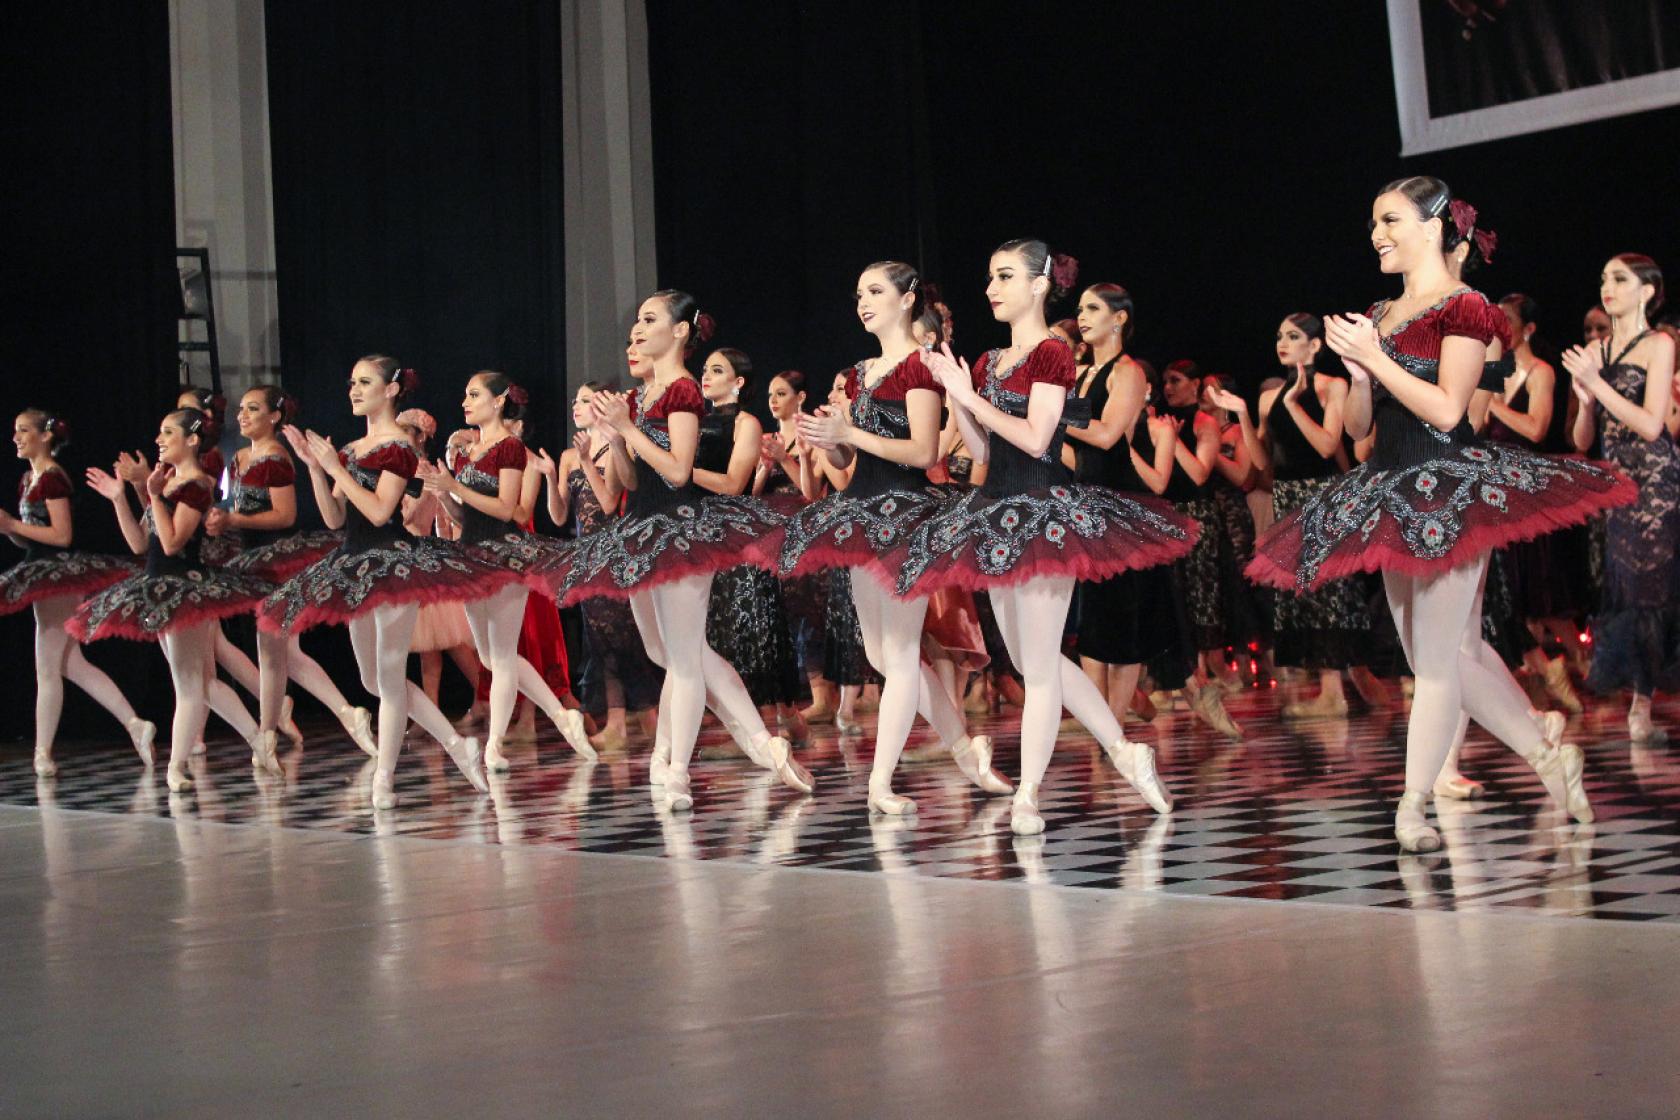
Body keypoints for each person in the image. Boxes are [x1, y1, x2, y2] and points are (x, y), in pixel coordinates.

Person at [1248, 177, 1630, 851]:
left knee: (1435, 664)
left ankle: (1413, 805)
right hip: (1390, 488)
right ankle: (1548, 757)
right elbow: (1360, 430)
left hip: (1452, 490)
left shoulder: (1468, 306)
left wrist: (1375, 360)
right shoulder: (1383, 312)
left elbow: (1450, 410)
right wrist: (1362, 375)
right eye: (1372, 223)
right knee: (1446, 656)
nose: (1377, 235)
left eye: (1389, 220)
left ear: (1431, 226)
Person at [898, 239, 1190, 835]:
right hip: (997, 509)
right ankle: (1125, 752)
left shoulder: (1054, 353)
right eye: (989, 277)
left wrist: (970, 397)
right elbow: (981, 452)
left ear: (1038, 285)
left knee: (1039, 667)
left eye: (1004, 276)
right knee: (1040, 664)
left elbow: (1037, 439)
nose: (991, 288)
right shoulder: (986, 361)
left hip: (1045, 511)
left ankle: (1029, 793)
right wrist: (959, 399)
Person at [552, 296, 810, 808]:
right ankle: (762, 744)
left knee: (686, 660)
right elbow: (629, 480)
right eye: (637, 319)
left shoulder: (685, 390)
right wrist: (616, 441)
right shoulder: (644, 393)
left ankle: (673, 771)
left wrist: (627, 429)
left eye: (649, 320)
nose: (637, 327)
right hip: (642, 528)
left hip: (681, 530)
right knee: (666, 653)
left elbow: (677, 470)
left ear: (679, 332)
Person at [780, 260, 1012, 812]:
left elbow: (923, 452)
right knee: (883, 655)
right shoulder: (860, 373)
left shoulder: (920, 366)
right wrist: (826, 439)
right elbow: (848, 455)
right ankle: (963, 748)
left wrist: (850, 430)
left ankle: (879, 784)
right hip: (862, 512)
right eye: (859, 292)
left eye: (876, 290)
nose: (863, 301)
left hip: (907, 516)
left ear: (908, 299)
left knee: (903, 652)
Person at [259, 357, 505, 809]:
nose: (354, 390)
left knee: (390, 678)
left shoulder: (398, 448)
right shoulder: (352, 448)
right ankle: (457, 745)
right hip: (354, 564)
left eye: (365, 382)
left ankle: (384, 781)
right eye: (352, 382)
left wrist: (335, 469)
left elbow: (378, 511)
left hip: (392, 565)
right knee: (373, 681)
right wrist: (316, 467)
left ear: (391, 390)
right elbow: (336, 518)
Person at [72, 408, 272, 791]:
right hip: (160, 584)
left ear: (192, 440)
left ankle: (176, 767)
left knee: (188, 683)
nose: (159, 439)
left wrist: (151, 495)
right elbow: (138, 544)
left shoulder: (196, 484)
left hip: (183, 586)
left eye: (168, 433)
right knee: (197, 683)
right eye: (159, 432)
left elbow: (174, 541)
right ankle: (257, 737)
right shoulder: (168, 484)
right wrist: (121, 497)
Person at [418, 371, 593, 770]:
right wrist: (442, 492)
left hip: (504, 555)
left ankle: (494, 744)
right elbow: (463, 513)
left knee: (501, 654)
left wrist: (456, 488)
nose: (465, 400)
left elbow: (506, 509)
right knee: (493, 658)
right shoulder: (468, 451)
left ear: (498, 401)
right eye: (465, 394)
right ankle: (562, 716)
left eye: (474, 394)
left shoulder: (511, 448)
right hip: (470, 555)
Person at [0, 409, 154, 776]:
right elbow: (29, 535)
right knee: (71, 665)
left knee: (48, 669)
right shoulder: (28, 478)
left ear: (45, 437)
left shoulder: (53, 478)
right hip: (41, 570)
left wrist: (12, 523)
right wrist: (9, 531)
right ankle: (134, 723)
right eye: (15, 431)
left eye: (23, 431)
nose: (16, 438)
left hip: (58, 573)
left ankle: (42, 754)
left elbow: (61, 535)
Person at [1564, 253, 1678, 741]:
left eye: (1619, 279)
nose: (1607, 287)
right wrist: (1586, 400)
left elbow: (1652, 424)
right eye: (1604, 278)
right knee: (1624, 594)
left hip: (1656, 485)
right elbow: (1582, 440)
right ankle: (1639, 703)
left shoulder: (1660, 344)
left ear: (1647, 291)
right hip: (1617, 486)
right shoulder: (1600, 351)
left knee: (1655, 592)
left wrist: (1595, 385)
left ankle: (1642, 707)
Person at [535, 380, 662, 752]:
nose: (576, 405)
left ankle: (642, 716)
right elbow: (559, 517)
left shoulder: (613, 447)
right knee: (599, 639)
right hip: (585, 554)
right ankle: (622, 721)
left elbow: (608, 503)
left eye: (586, 400)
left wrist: (589, 460)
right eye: (576, 399)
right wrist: (548, 475)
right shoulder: (568, 455)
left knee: (622, 636)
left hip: (617, 551)